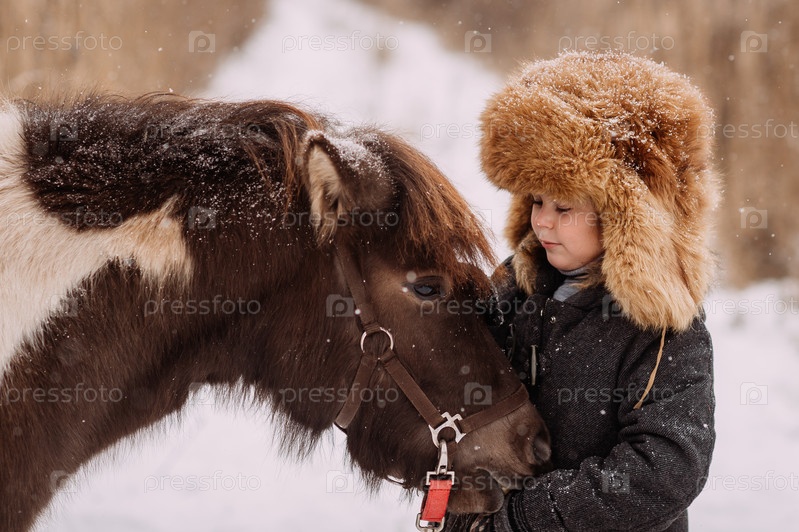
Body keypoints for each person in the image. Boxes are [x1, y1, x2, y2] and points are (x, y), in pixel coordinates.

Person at [447, 51, 719, 531]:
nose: (542, 222)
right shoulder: (514, 287)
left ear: (623, 216)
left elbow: (664, 470)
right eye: (536, 201)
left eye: (565, 207)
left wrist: (525, 518)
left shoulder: (660, 328)